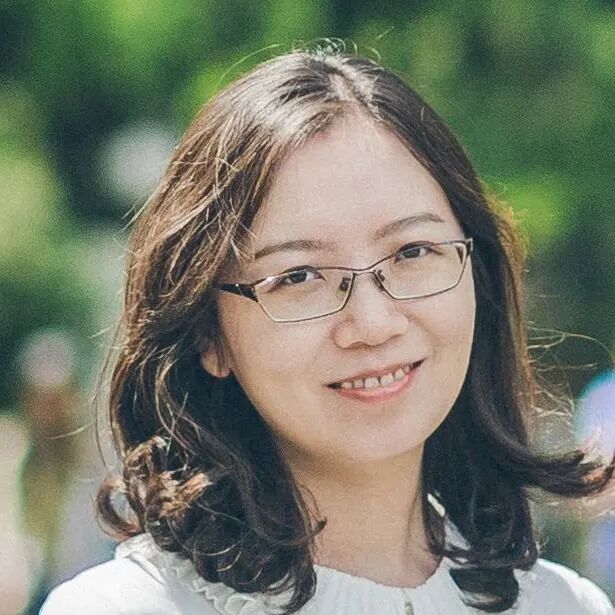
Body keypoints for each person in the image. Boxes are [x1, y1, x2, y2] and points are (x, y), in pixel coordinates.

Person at [40, 47, 615, 614]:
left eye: (413, 251)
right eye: (299, 276)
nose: (373, 323)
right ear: (206, 333)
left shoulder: (566, 606)